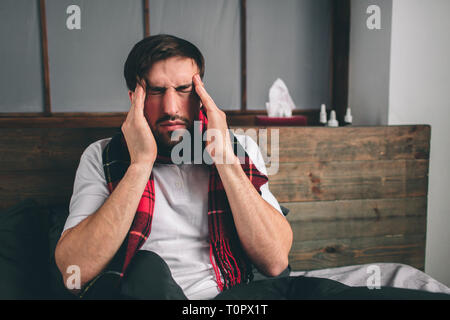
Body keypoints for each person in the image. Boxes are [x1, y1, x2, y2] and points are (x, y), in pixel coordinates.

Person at [54, 34, 449, 300]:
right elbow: (76, 269)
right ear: (134, 97)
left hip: (241, 294)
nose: (172, 107)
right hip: (153, 293)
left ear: (201, 96)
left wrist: (225, 160)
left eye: (184, 90)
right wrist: (139, 164)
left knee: (399, 280)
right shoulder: (103, 155)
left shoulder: (237, 150)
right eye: (156, 91)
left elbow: (276, 260)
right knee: (146, 271)